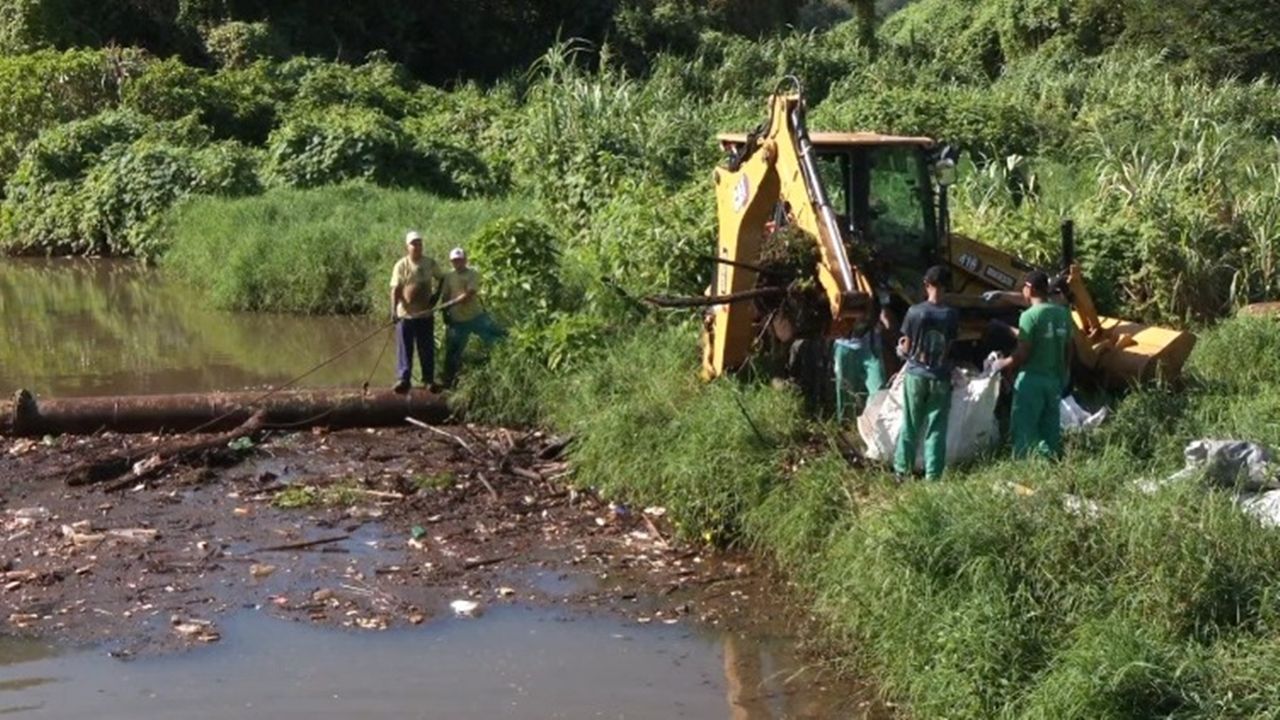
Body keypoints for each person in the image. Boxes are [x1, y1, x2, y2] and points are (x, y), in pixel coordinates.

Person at [991, 270, 1073, 459]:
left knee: (1024, 427)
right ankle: (1052, 462)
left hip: (1031, 381)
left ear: (1031, 288)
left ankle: (1025, 468)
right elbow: (1069, 348)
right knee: (1050, 426)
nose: (1022, 290)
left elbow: (1023, 353)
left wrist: (1004, 363)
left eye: (1024, 286)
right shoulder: (1063, 314)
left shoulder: (1029, 316)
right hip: (1054, 379)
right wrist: (1065, 372)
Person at [894, 266, 959, 481]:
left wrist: (901, 349)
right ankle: (934, 476)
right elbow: (949, 347)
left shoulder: (915, 312)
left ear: (926, 283)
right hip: (940, 377)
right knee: (936, 427)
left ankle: (902, 471)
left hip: (916, 375)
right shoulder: (951, 315)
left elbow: (907, 346)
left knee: (911, 424)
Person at [440, 247, 507, 387]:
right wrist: (445, 312)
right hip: (457, 320)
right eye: (454, 261)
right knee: (453, 350)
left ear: (465, 260)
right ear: (451, 262)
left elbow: (470, 293)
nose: (457, 263)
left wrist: (452, 302)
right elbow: (445, 295)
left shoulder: (473, 274)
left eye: (460, 260)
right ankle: (449, 381)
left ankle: (505, 363)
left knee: (494, 336)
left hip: (476, 317)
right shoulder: (449, 277)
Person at [389, 230, 444, 393]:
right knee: (405, 348)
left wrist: (436, 296)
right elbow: (395, 289)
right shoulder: (401, 265)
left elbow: (442, 278)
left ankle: (428, 379)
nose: (417, 246)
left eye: (419, 243)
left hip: (425, 313)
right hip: (405, 314)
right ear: (407, 247)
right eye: (414, 244)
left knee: (426, 347)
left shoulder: (430, 263)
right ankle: (403, 379)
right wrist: (393, 311)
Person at [833, 302, 893, 424]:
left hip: (870, 346)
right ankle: (847, 425)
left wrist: (884, 319)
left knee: (878, 387)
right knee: (844, 387)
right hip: (844, 344)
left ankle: (876, 423)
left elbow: (883, 310)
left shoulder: (875, 289)